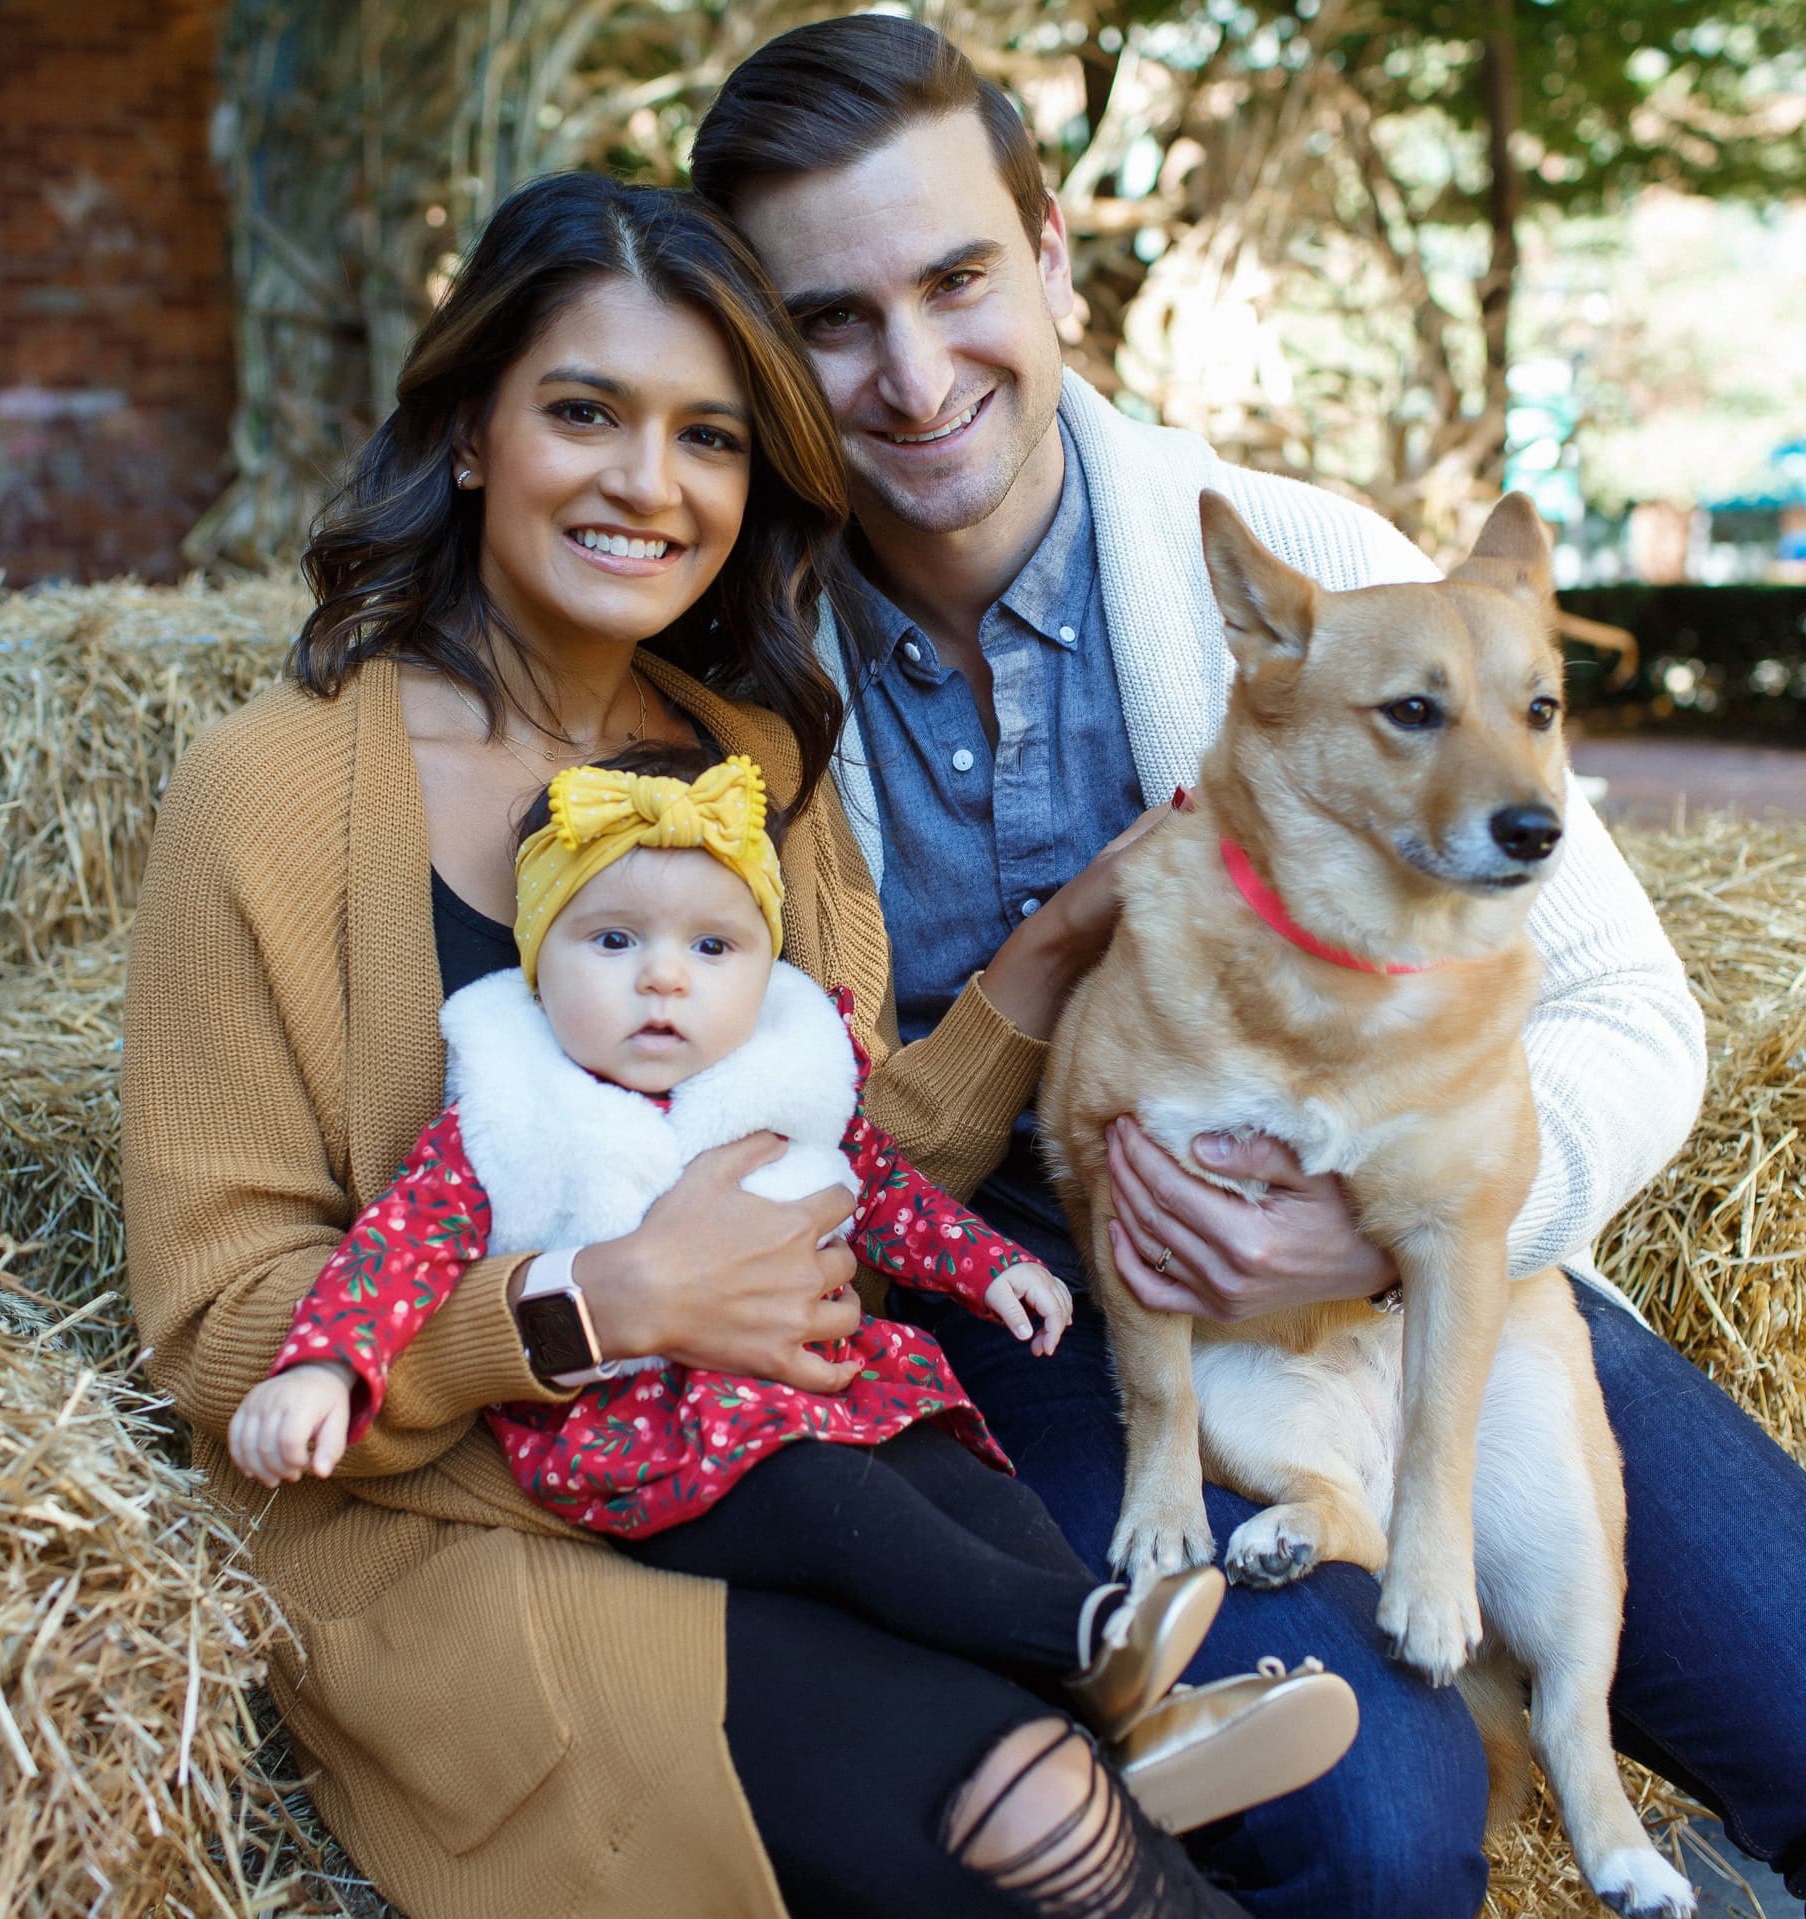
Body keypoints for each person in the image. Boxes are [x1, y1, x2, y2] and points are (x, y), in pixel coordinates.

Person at [689, 18, 1806, 1917]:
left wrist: (1383, 1235)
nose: (913, 370)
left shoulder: (1309, 565)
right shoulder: (731, 681)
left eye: (960, 277)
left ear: (1050, 257)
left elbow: (1636, 1008)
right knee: (1377, 1820)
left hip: (1418, 1247)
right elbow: (756, 1141)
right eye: (831, 319)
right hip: (1028, 1309)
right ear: (766, 355)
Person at [124, 170, 1301, 1919]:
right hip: (463, 1521)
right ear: (466, 432)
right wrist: (601, 1300)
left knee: (1130, 1771)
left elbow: (834, 1140)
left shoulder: (752, 749)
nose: (648, 485)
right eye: (585, 411)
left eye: (711, 437)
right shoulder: (273, 790)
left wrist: (1053, 957)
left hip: (784, 1456)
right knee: (1032, 1801)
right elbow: (221, 1334)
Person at [223, 742, 1357, 1840]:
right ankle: (1087, 1637)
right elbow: (395, 1248)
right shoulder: (511, 1112)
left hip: (839, 1390)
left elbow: (884, 1192)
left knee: (968, 1488)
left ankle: (1137, 1722)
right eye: (612, 938)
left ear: (763, 967)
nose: (663, 977)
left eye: (712, 947)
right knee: (841, 1513)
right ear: (536, 953)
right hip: (668, 1446)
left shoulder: (779, 1077)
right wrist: (329, 1364)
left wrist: (995, 1263)